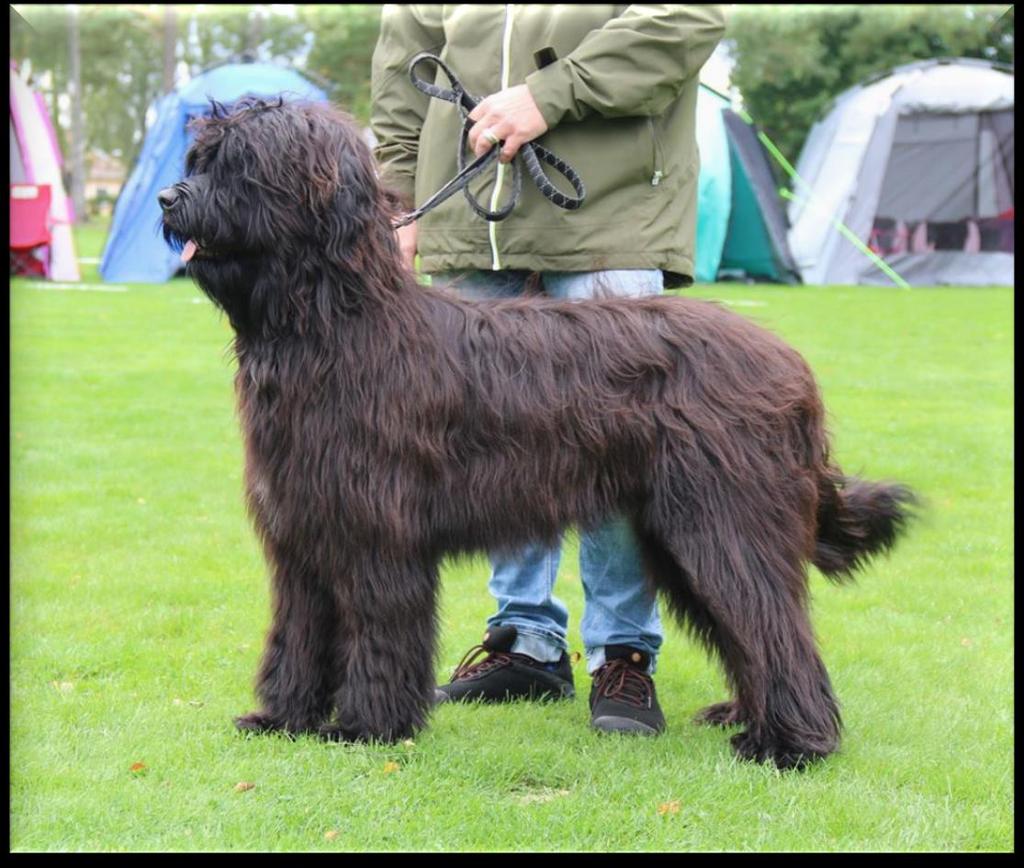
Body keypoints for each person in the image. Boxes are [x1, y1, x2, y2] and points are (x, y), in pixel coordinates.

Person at [370, 5, 727, 736]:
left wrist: (549, 94)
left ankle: (622, 652)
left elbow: (687, 19)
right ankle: (524, 640)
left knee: (624, 449)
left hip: (612, 218)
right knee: (488, 447)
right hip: (470, 224)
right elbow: (401, 66)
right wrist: (398, 200)